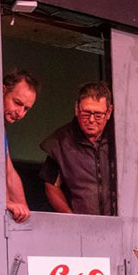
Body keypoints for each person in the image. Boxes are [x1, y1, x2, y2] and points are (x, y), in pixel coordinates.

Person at [39, 81, 115, 215]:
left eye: (98, 115)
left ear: (108, 112)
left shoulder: (118, 140)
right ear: (76, 108)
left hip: (119, 225)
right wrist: (70, 216)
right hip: (80, 226)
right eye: (86, 113)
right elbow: (51, 185)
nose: (91, 120)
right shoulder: (60, 142)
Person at [3, 70, 39, 223]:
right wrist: (3, 202)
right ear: (3, 91)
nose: (20, 113)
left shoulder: (1, 131)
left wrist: (25, 212)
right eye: (17, 103)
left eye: (26, 109)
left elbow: (9, 171)